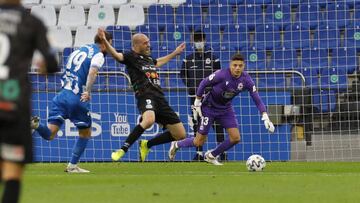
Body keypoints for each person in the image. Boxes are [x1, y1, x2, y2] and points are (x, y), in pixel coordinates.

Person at [97, 28, 186, 162]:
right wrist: (104, 40)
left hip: (160, 98)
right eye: (145, 43)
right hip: (145, 95)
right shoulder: (130, 56)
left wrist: (175, 53)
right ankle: (122, 149)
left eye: (148, 42)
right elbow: (116, 55)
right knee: (149, 120)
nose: (148, 45)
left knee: (180, 134)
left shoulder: (149, 58)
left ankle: (146, 145)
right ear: (137, 45)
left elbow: (158, 62)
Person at [169, 53, 275, 165]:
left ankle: (211, 155)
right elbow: (204, 83)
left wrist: (265, 115)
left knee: (235, 138)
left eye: (240, 65)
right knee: (199, 141)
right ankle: (176, 144)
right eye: (235, 65)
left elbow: (256, 97)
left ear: (243, 66)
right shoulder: (221, 74)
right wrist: (197, 102)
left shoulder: (246, 79)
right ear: (230, 65)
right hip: (209, 108)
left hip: (225, 109)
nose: (237, 68)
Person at [0, 0, 58, 202]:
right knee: (12, 170)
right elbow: (52, 63)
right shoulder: (32, 22)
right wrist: (44, 65)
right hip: (13, 103)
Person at [31, 31, 113, 173]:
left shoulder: (78, 50)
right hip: (77, 98)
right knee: (85, 133)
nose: (111, 49)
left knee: (50, 134)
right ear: (105, 44)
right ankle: (72, 166)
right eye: (110, 45)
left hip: (61, 95)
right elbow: (92, 72)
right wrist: (87, 90)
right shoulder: (98, 54)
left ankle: (35, 124)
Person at [180, 31, 226, 161]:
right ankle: (199, 153)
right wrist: (191, 86)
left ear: (205, 40)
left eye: (200, 39)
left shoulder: (213, 58)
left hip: (213, 98)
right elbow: (183, 74)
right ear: (193, 41)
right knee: (197, 124)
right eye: (196, 39)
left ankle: (220, 152)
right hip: (195, 98)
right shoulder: (187, 59)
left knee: (218, 125)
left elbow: (220, 75)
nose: (199, 42)